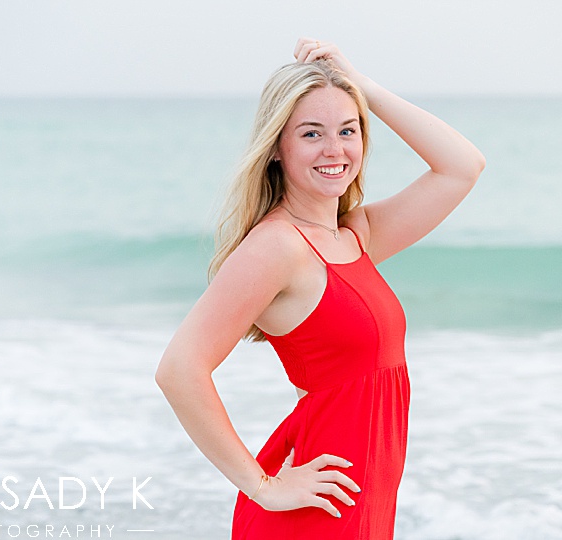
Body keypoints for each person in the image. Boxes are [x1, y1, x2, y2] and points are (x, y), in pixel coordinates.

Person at [155, 37, 485, 539]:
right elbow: (179, 370)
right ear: (276, 150)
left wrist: (362, 86)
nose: (335, 150)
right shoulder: (276, 248)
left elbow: (462, 166)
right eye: (312, 133)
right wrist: (262, 486)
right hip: (316, 509)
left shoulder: (354, 236)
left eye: (347, 131)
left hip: (362, 500)